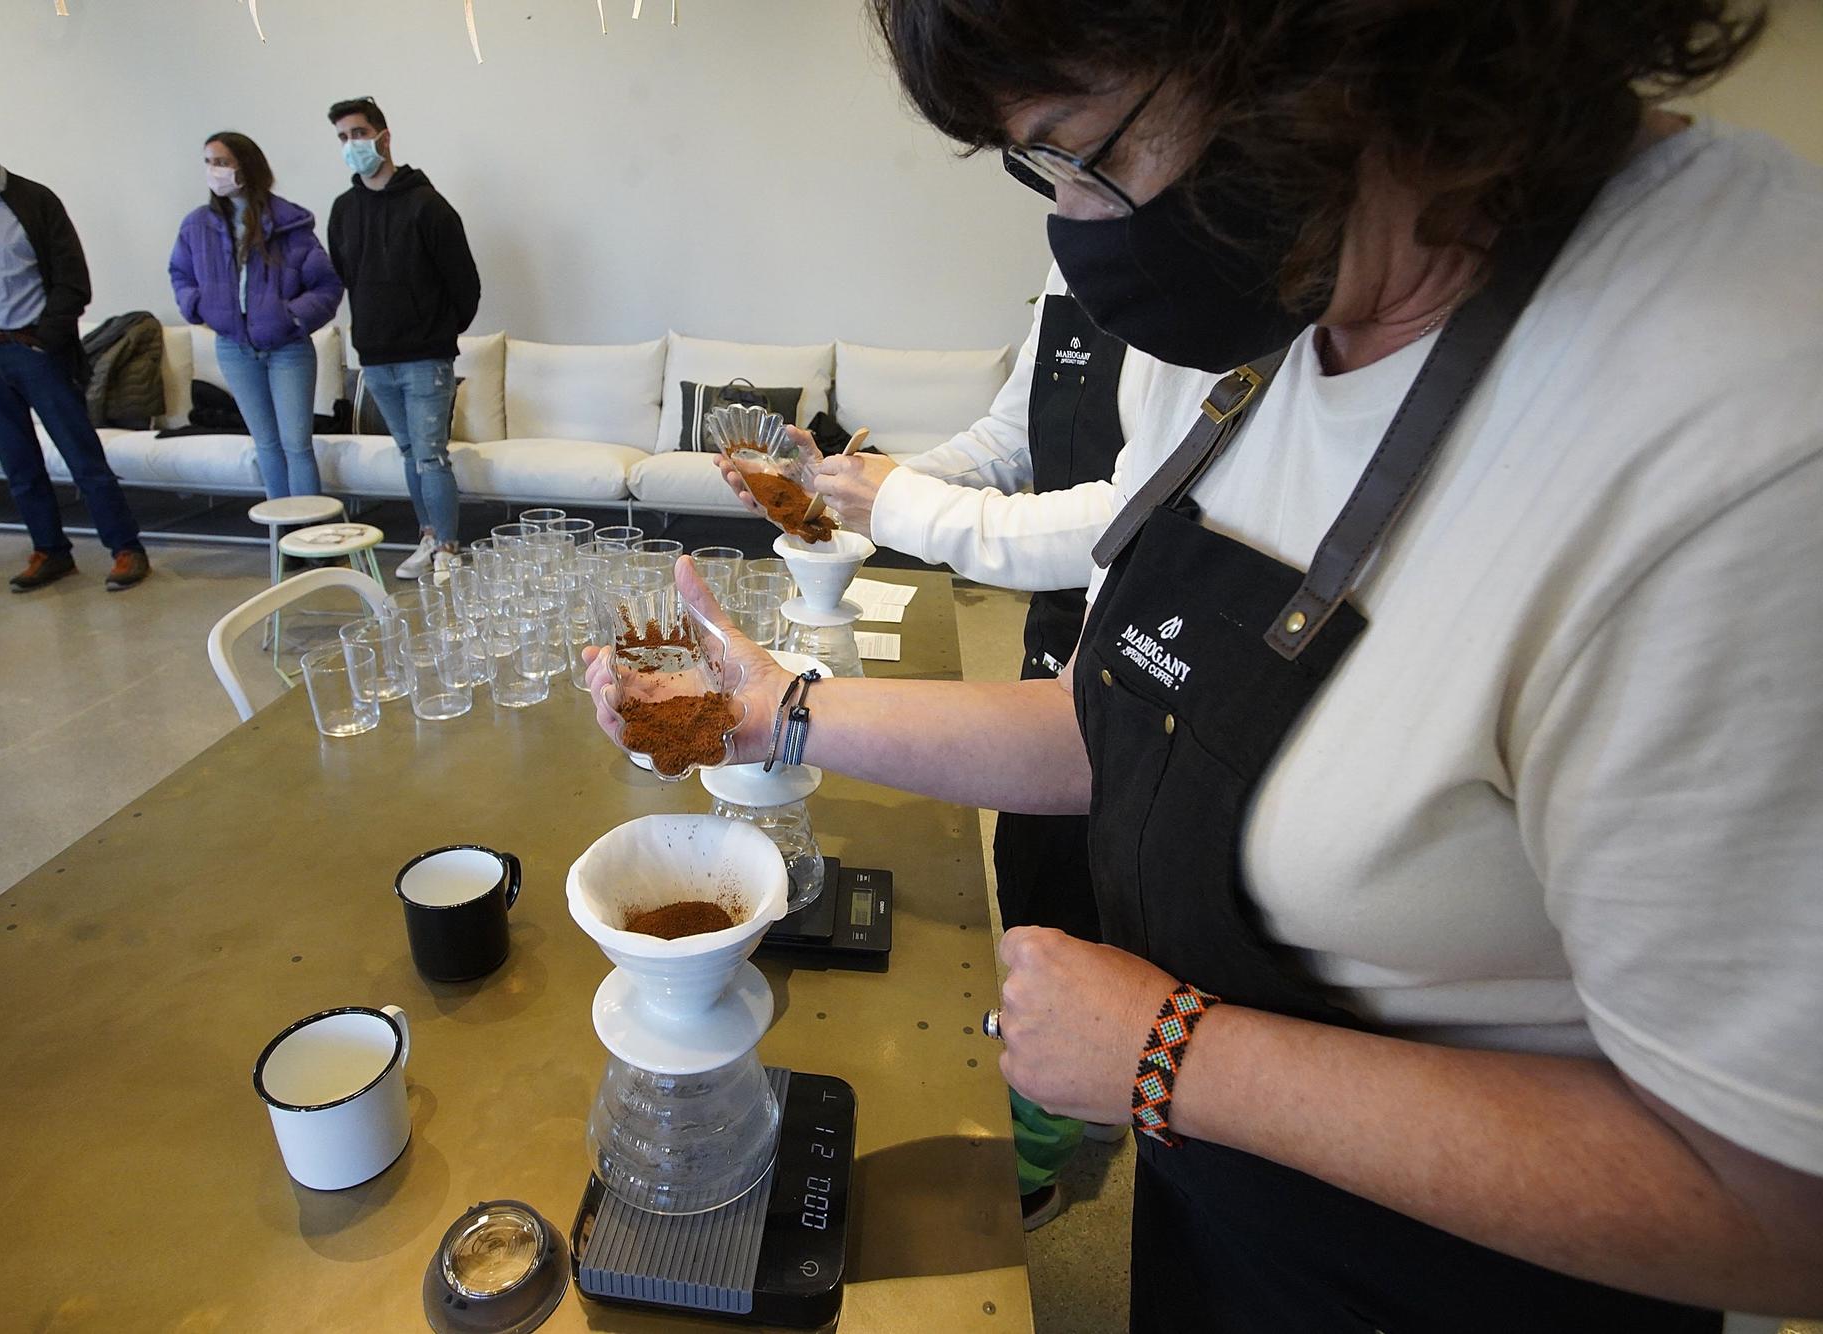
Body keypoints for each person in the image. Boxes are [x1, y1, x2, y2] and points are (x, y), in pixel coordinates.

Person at [594, 0, 1823, 1327]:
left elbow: (1771, 1205)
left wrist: (1178, 1057)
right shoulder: (1264, 302)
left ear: (1317, 56)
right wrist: (783, 713)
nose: (1071, 217)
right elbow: (1118, 717)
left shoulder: (1739, 421)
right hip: (1219, 1224)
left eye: (1079, 148)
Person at [721, 257, 1151, 1228]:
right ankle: (1064, 1086)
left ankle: (1043, 1150)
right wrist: (846, 482)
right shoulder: (1070, 256)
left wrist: (903, 508)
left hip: (1142, 636)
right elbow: (1010, 439)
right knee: (1035, 868)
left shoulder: (1203, 291)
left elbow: (1136, 511)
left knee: (1100, 893)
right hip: (1058, 634)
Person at [0, 108, 148, 592]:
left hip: (33, 351)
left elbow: (73, 283)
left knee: (83, 459)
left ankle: (125, 549)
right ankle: (50, 551)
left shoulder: (33, 201)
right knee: (17, 462)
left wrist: (43, 341)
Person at [324, 96, 480, 579]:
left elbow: (465, 284)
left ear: (383, 137)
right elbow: (345, 276)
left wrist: (435, 333)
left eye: (358, 134)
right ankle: (428, 537)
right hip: (375, 358)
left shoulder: (427, 205)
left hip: (425, 359)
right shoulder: (344, 210)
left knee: (432, 455)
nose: (352, 145)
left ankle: (450, 549)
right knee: (410, 453)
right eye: (343, 138)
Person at [169, 132, 342, 501]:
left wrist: (292, 317)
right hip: (234, 348)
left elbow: (326, 285)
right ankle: (283, 540)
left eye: (221, 162)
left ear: (245, 166)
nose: (213, 171)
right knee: (265, 445)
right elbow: (180, 273)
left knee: (296, 446)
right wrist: (199, 306)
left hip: (287, 349)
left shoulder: (289, 223)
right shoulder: (196, 225)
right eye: (208, 162)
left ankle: (309, 537)